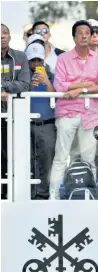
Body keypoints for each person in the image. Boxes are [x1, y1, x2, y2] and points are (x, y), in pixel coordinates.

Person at [49, 20, 98, 199]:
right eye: (80, 33)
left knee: (89, 159)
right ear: (74, 37)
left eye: (87, 33)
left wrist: (78, 90)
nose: (84, 35)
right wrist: (85, 84)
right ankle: (54, 196)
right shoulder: (63, 58)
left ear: (92, 37)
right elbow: (59, 86)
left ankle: (89, 194)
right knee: (61, 157)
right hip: (67, 113)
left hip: (90, 115)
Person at [1, 23, 31, 199]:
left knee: (11, 156)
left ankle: (10, 194)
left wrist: (4, 89)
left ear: (10, 36)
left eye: (5, 33)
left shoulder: (20, 57)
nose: (2, 36)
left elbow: (25, 84)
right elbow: (18, 85)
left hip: (14, 115)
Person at [26, 42, 56, 200]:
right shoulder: (23, 75)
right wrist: (29, 86)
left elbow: (57, 97)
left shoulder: (51, 74)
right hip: (26, 125)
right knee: (27, 161)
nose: (36, 64)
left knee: (47, 160)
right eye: (33, 61)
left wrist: (46, 82)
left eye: (39, 60)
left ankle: (43, 194)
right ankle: (29, 194)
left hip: (47, 124)